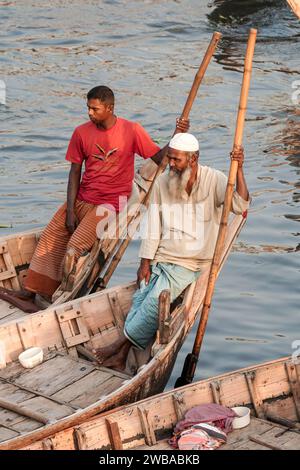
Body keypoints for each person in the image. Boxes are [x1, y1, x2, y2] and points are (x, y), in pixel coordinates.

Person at [0, 86, 189, 307]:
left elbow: (157, 158)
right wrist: (70, 210)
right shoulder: (81, 132)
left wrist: (177, 137)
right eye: (88, 108)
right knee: (50, 237)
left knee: (75, 247)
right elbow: (74, 173)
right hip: (82, 198)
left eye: (95, 109)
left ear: (109, 108)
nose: (90, 113)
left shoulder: (131, 130)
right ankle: (31, 292)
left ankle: (58, 297)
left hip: (109, 204)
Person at [94, 132, 250, 371]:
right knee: (140, 298)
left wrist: (238, 169)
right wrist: (144, 262)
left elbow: (240, 205)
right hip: (162, 256)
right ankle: (120, 356)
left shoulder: (215, 180)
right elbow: (153, 224)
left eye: (177, 160)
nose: (172, 164)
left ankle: (117, 346)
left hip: (190, 261)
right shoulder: (163, 181)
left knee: (152, 305)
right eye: (171, 159)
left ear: (193, 158)